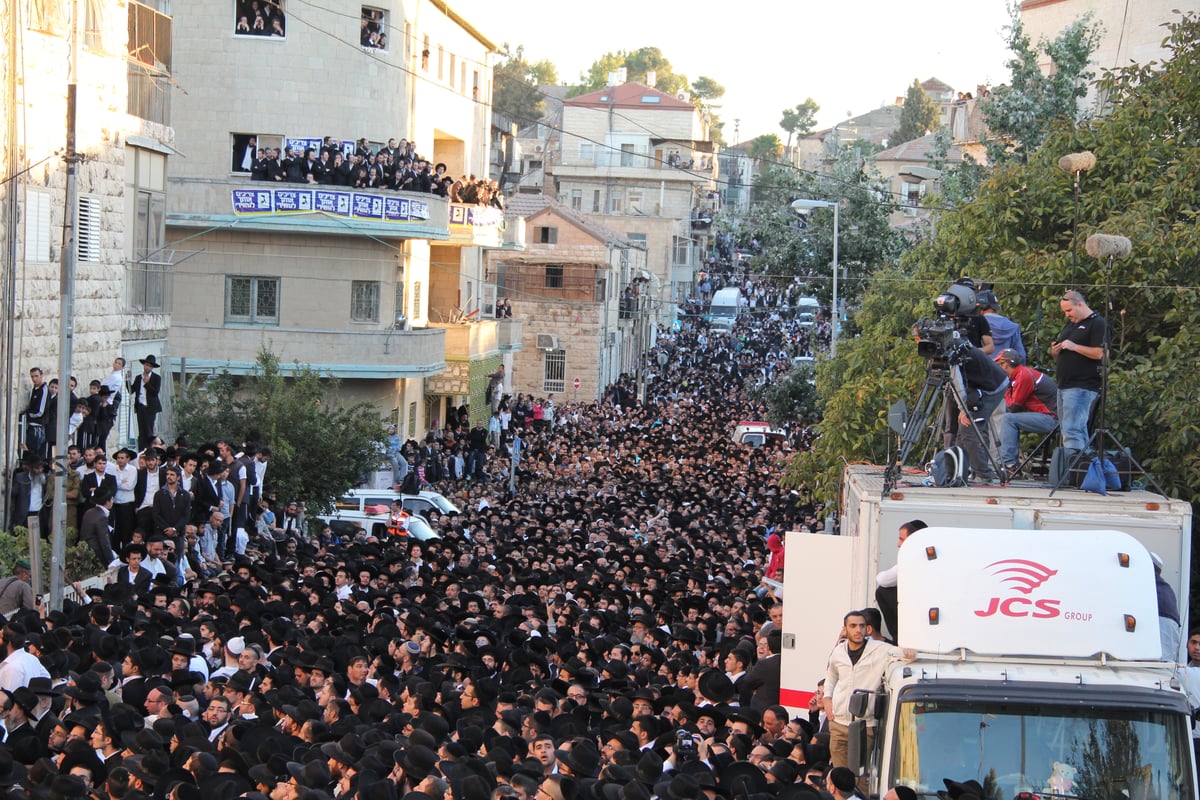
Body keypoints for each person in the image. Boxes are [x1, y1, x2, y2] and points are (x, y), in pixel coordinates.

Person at [824, 610, 914, 772]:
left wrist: (909, 653)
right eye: (853, 626)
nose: (858, 630)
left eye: (862, 626)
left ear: (867, 629)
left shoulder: (880, 649)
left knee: (861, 777)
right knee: (839, 775)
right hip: (838, 723)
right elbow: (831, 675)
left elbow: (906, 656)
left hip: (865, 725)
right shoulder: (839, 651)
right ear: (845, 629)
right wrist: (827, 698)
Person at [1053, 290, 1107, 452]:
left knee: (1072, 429)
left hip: (1082, 385)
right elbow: (1063, 350)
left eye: (1069, 310)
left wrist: (1074, 347)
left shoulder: (1098, 323)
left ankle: (1074, 471)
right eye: (1064, 311)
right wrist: (1056, 350)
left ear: (1081, 304)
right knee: (1070, 429)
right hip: (1064, 384)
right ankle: (1085, 468)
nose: (1067, 315)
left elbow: (1101, 354)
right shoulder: (1071, 325)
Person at [951, 343, 1009, 484]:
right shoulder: (953, 343)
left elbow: (957, 383)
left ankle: (984, 476)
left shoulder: (951, 351)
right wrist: (962, 409)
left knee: (969, 431)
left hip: (993, 388)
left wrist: (963, 409)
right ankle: (961, 473)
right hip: (979, 387)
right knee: (963, 431)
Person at [994, 349, 1058, 477]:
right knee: (1009, 419)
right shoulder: (1021, 374)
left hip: (1052, 419)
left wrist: (1005, 387)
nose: (998, 367)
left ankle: (1009, 465)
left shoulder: (1023, 376)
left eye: (999, 364)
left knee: (1008, 419)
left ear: (1006, 364)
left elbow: (1013, 407)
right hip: (1048, 416)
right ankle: (1007, 462)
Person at [875, 519, 928, 642]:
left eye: (901, 539)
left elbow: (882, 580)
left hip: (920, 619)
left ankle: (899, 639)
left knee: (882, 591)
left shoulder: (913, 561)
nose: (898, 544)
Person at [129, 354, 162, 450]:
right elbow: (131, 390)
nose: (148, 367)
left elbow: (155, 392)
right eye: (146, 365)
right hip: (140, 407)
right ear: (144, 365)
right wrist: (128, 379)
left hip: (150, 408)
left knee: (149, 431)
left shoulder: (156, 378)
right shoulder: (139, 377)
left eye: (150, 366)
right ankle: (141, 451)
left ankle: (149, 450)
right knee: (141, 431)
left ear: (152, 368)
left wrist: (147, 383)